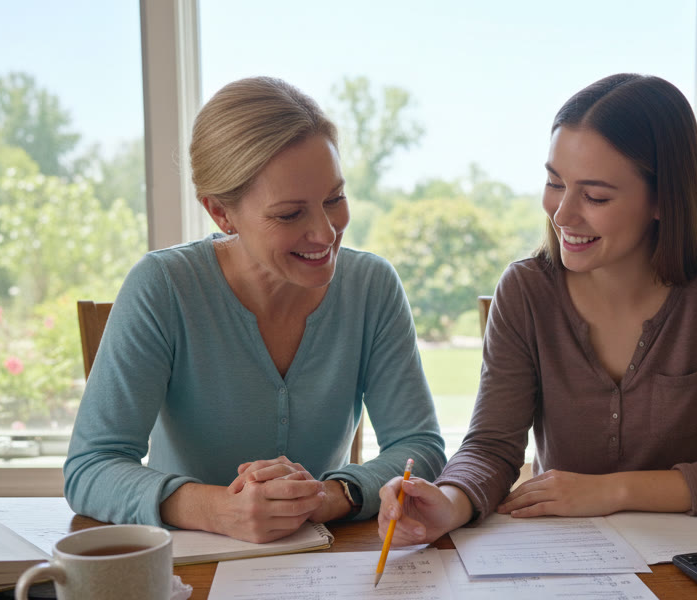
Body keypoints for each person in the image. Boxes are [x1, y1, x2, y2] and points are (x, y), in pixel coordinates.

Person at [377, 73, 697, 545]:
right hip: (567, 567)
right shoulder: (525, 291)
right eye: (554, 182)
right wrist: (451, 500)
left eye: (596, 196)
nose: (562, 214)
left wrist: (613, 491)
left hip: (695, 567)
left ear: (664, 199)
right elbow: (492, 447)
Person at [64, 77, 445, 543]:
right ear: (221, 213)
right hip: (189, 575)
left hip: (319, 568)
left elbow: (419, 446)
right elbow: (90, 467)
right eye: (290, 215)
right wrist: (218, 509)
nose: (326, 233)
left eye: (334, 200)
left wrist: (332, 494)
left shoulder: (372, 286)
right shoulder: (164, 286)